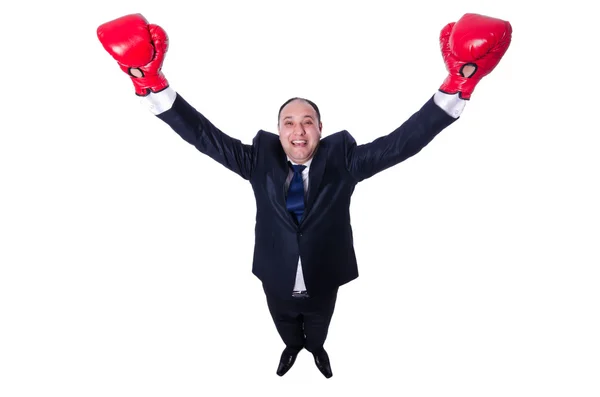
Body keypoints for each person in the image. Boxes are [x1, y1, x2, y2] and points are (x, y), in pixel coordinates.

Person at [97, 12, 512, 378]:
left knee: (319, 326)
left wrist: (460, 81)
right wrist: (149, 82)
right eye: (289, 123)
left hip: (324, 276)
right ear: (279, 133)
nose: (298, 131)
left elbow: (403, 142)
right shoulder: (258, 161)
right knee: (284, 325)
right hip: (275, 275)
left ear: (320, 129)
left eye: (308, 122)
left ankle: (315, 348)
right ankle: (291, 347)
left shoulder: (345, 161)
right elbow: (202, 135)